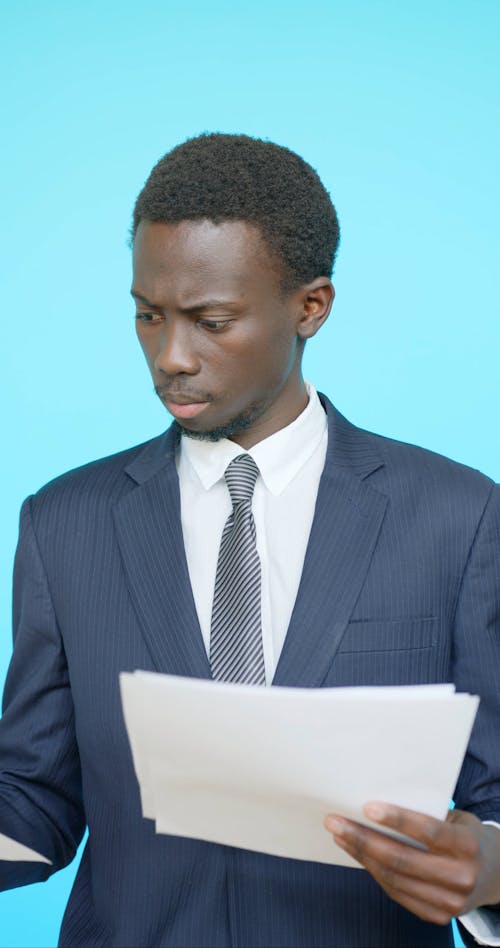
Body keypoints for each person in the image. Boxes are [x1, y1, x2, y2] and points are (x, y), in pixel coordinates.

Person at [0, 133, 499, 948]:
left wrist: (491, 868)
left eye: (212, 321)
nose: (171, 358)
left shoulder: (457, 517)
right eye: (147, 315)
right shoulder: (63, 523)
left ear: (312, 307)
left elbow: (497, 796)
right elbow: (35, 796)